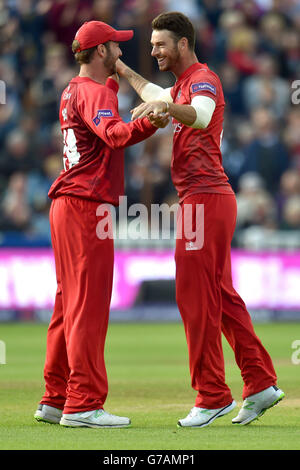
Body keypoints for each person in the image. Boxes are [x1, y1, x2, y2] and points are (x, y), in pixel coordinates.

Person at [116, 11, 285, 428]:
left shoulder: (203, 79)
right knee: (220, 296)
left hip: (205, 200)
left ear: (183, 44)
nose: (154, 50)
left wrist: (168, 106)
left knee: (194, 298)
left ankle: (212, 395)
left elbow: (203, 114)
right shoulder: (184, 84)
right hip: (205, 199)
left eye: (159, 44)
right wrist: (120, 68)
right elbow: (155, 91)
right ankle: (260, 382)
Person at [34, 20, 167, 429]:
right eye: (116, 47)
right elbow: (113, 133)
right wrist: (152, 122)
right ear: (101, 51)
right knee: (88, 308)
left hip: (66, 205)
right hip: (87, 208)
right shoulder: (93, 92)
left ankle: (56, 397)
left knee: (67, 306)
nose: (122, 53)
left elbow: (99, 120)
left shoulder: (74, 89)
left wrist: (117, 82)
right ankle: (83, 404)